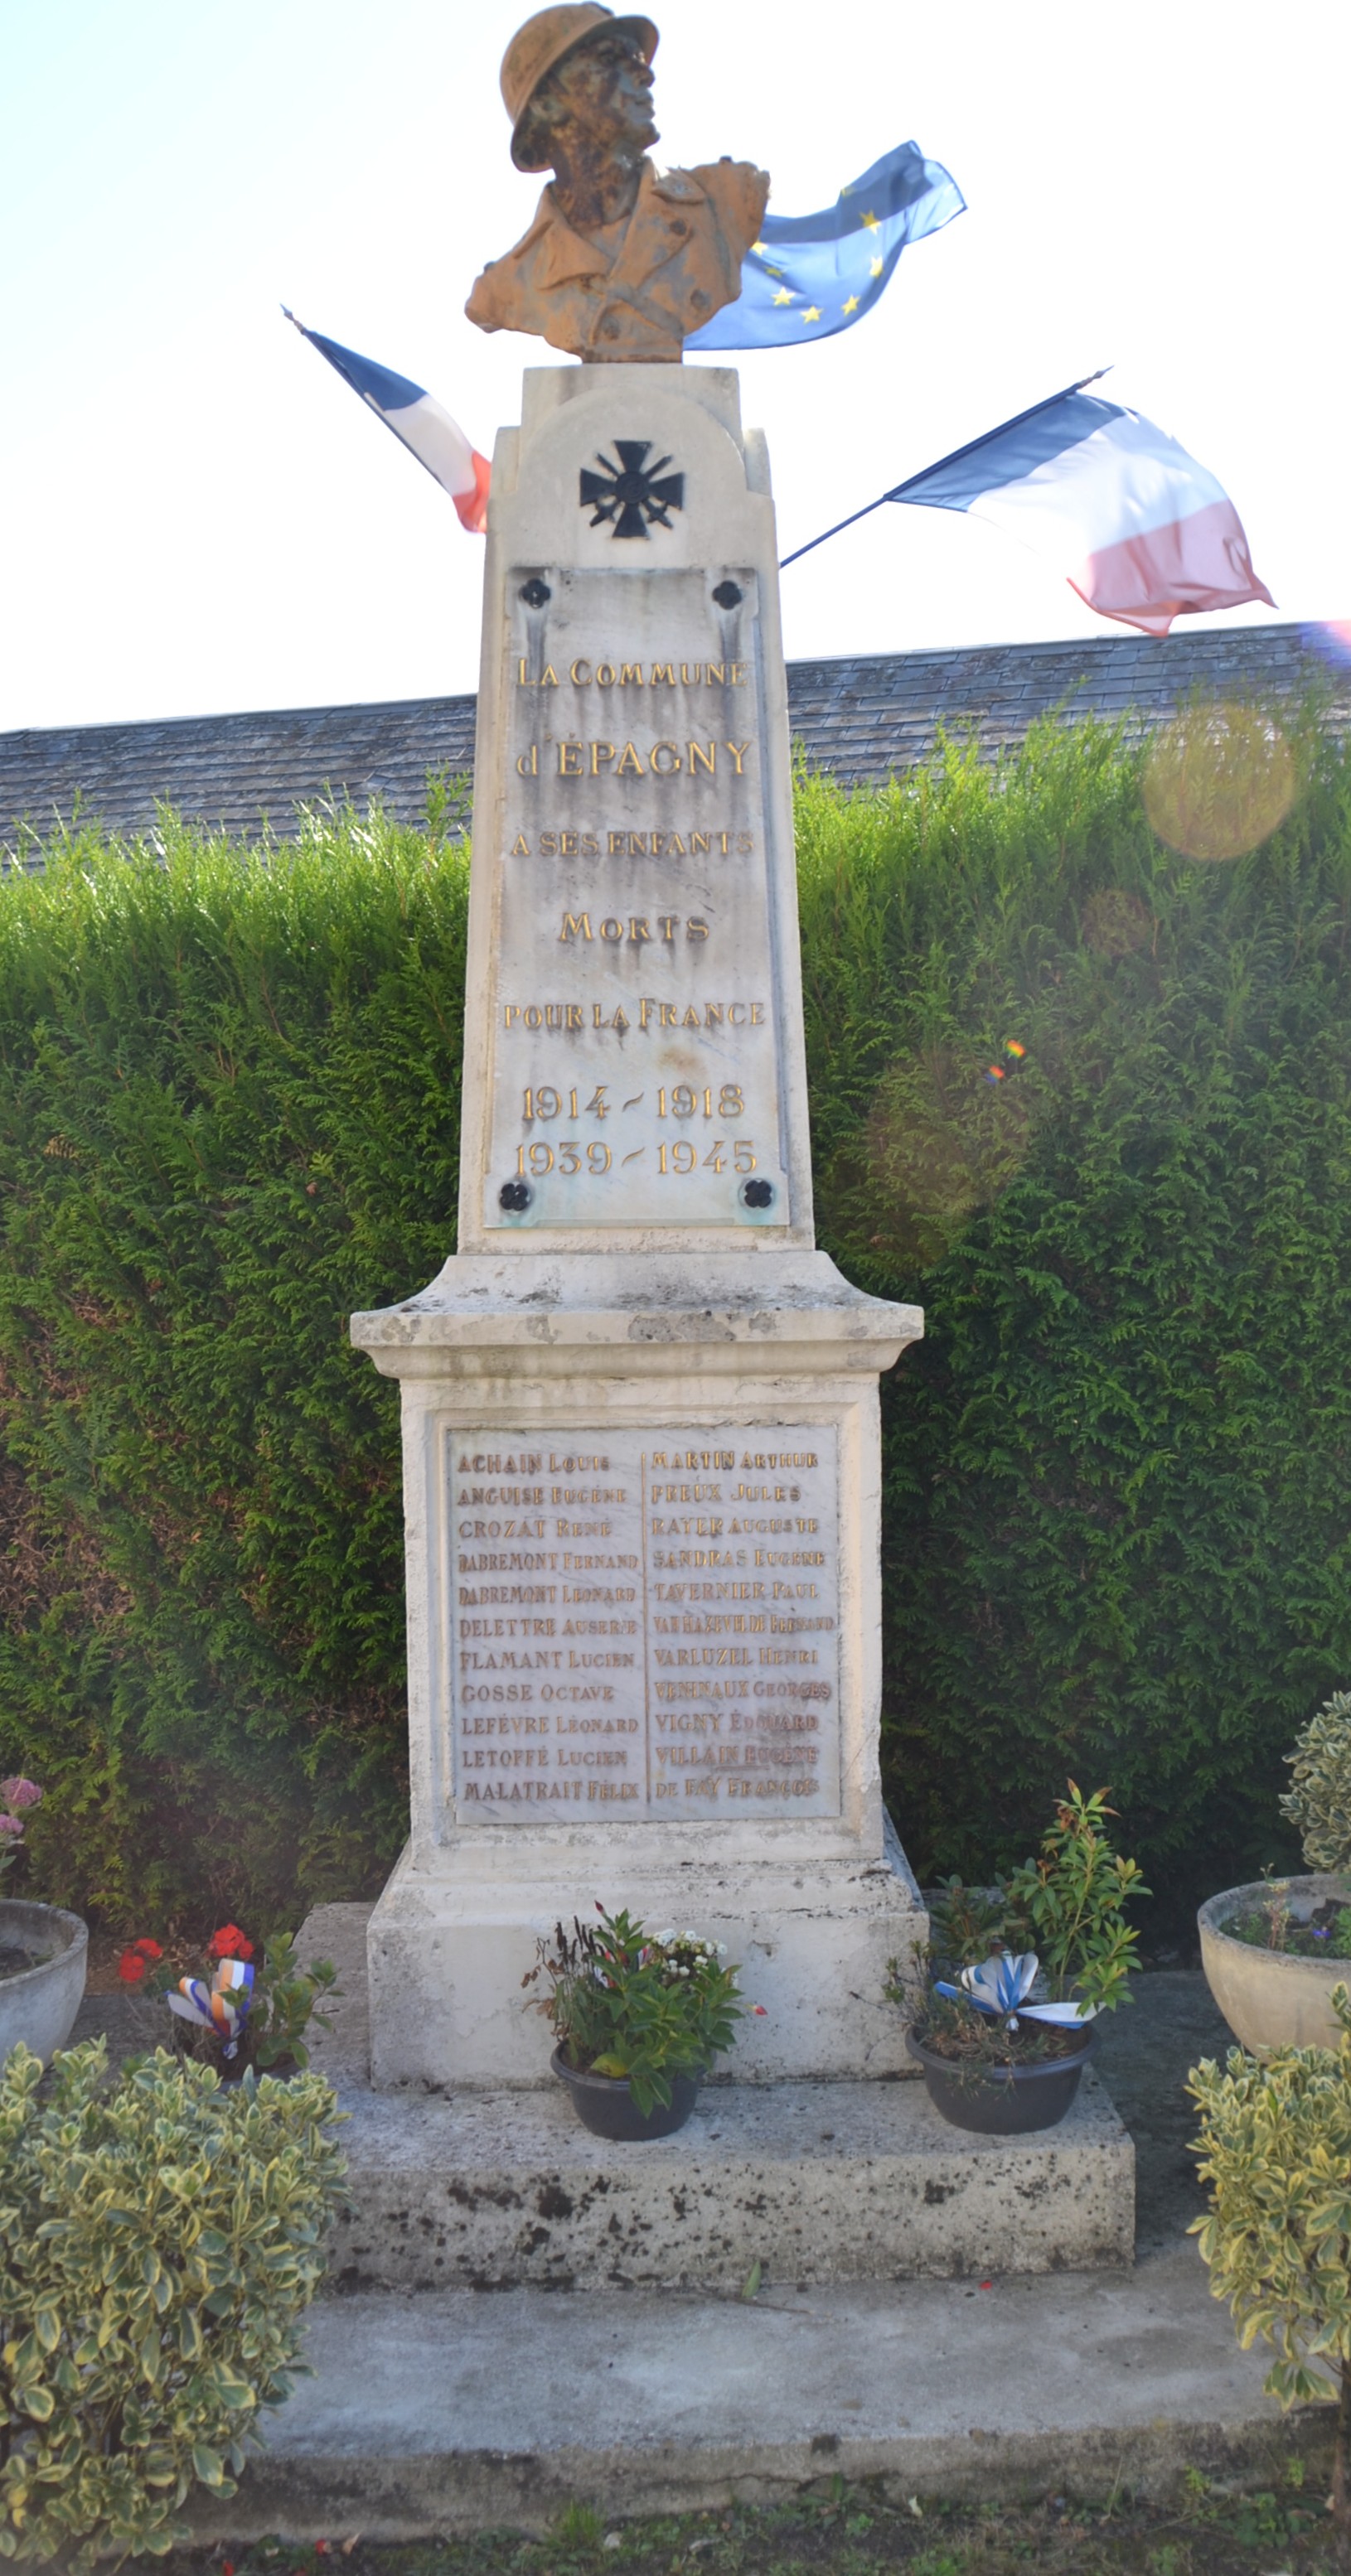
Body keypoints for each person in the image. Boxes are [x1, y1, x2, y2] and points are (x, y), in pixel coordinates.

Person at [466, 3, 768, 364]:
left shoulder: (727, 200)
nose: (645, 74)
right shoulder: (507, 285)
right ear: (548, 106)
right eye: (611, 59)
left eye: (639, 58)